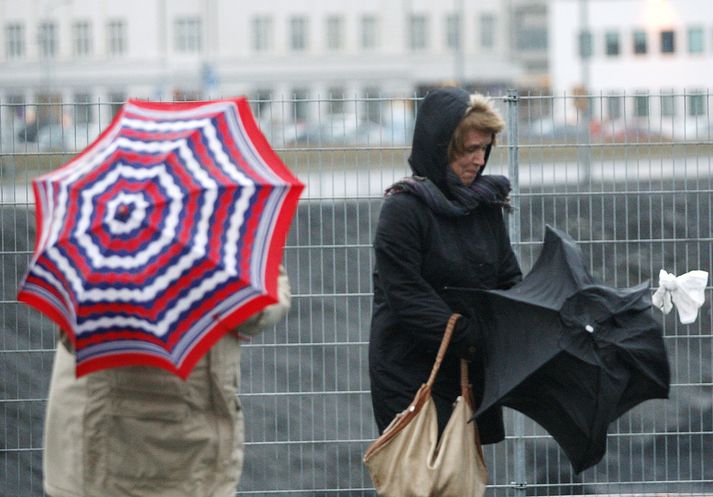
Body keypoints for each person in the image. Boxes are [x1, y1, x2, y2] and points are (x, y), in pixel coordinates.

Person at [42, 266, 291, 497]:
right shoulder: (211, 233)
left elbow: (265, 299)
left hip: (109, 438)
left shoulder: (91, 237)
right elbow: (257, 306)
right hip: (152, 441)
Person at [368, 87, 522, 444]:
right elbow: (407, 296)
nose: (479, 161)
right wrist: (475, 337)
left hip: (468, 374)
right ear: (441, 149)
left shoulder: (485, 205)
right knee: (418, 480)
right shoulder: (403, 210)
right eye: (469, 150)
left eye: (484, 149)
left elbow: (508, 276)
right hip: (411, 375)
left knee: (463, 479)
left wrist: (517, 320)